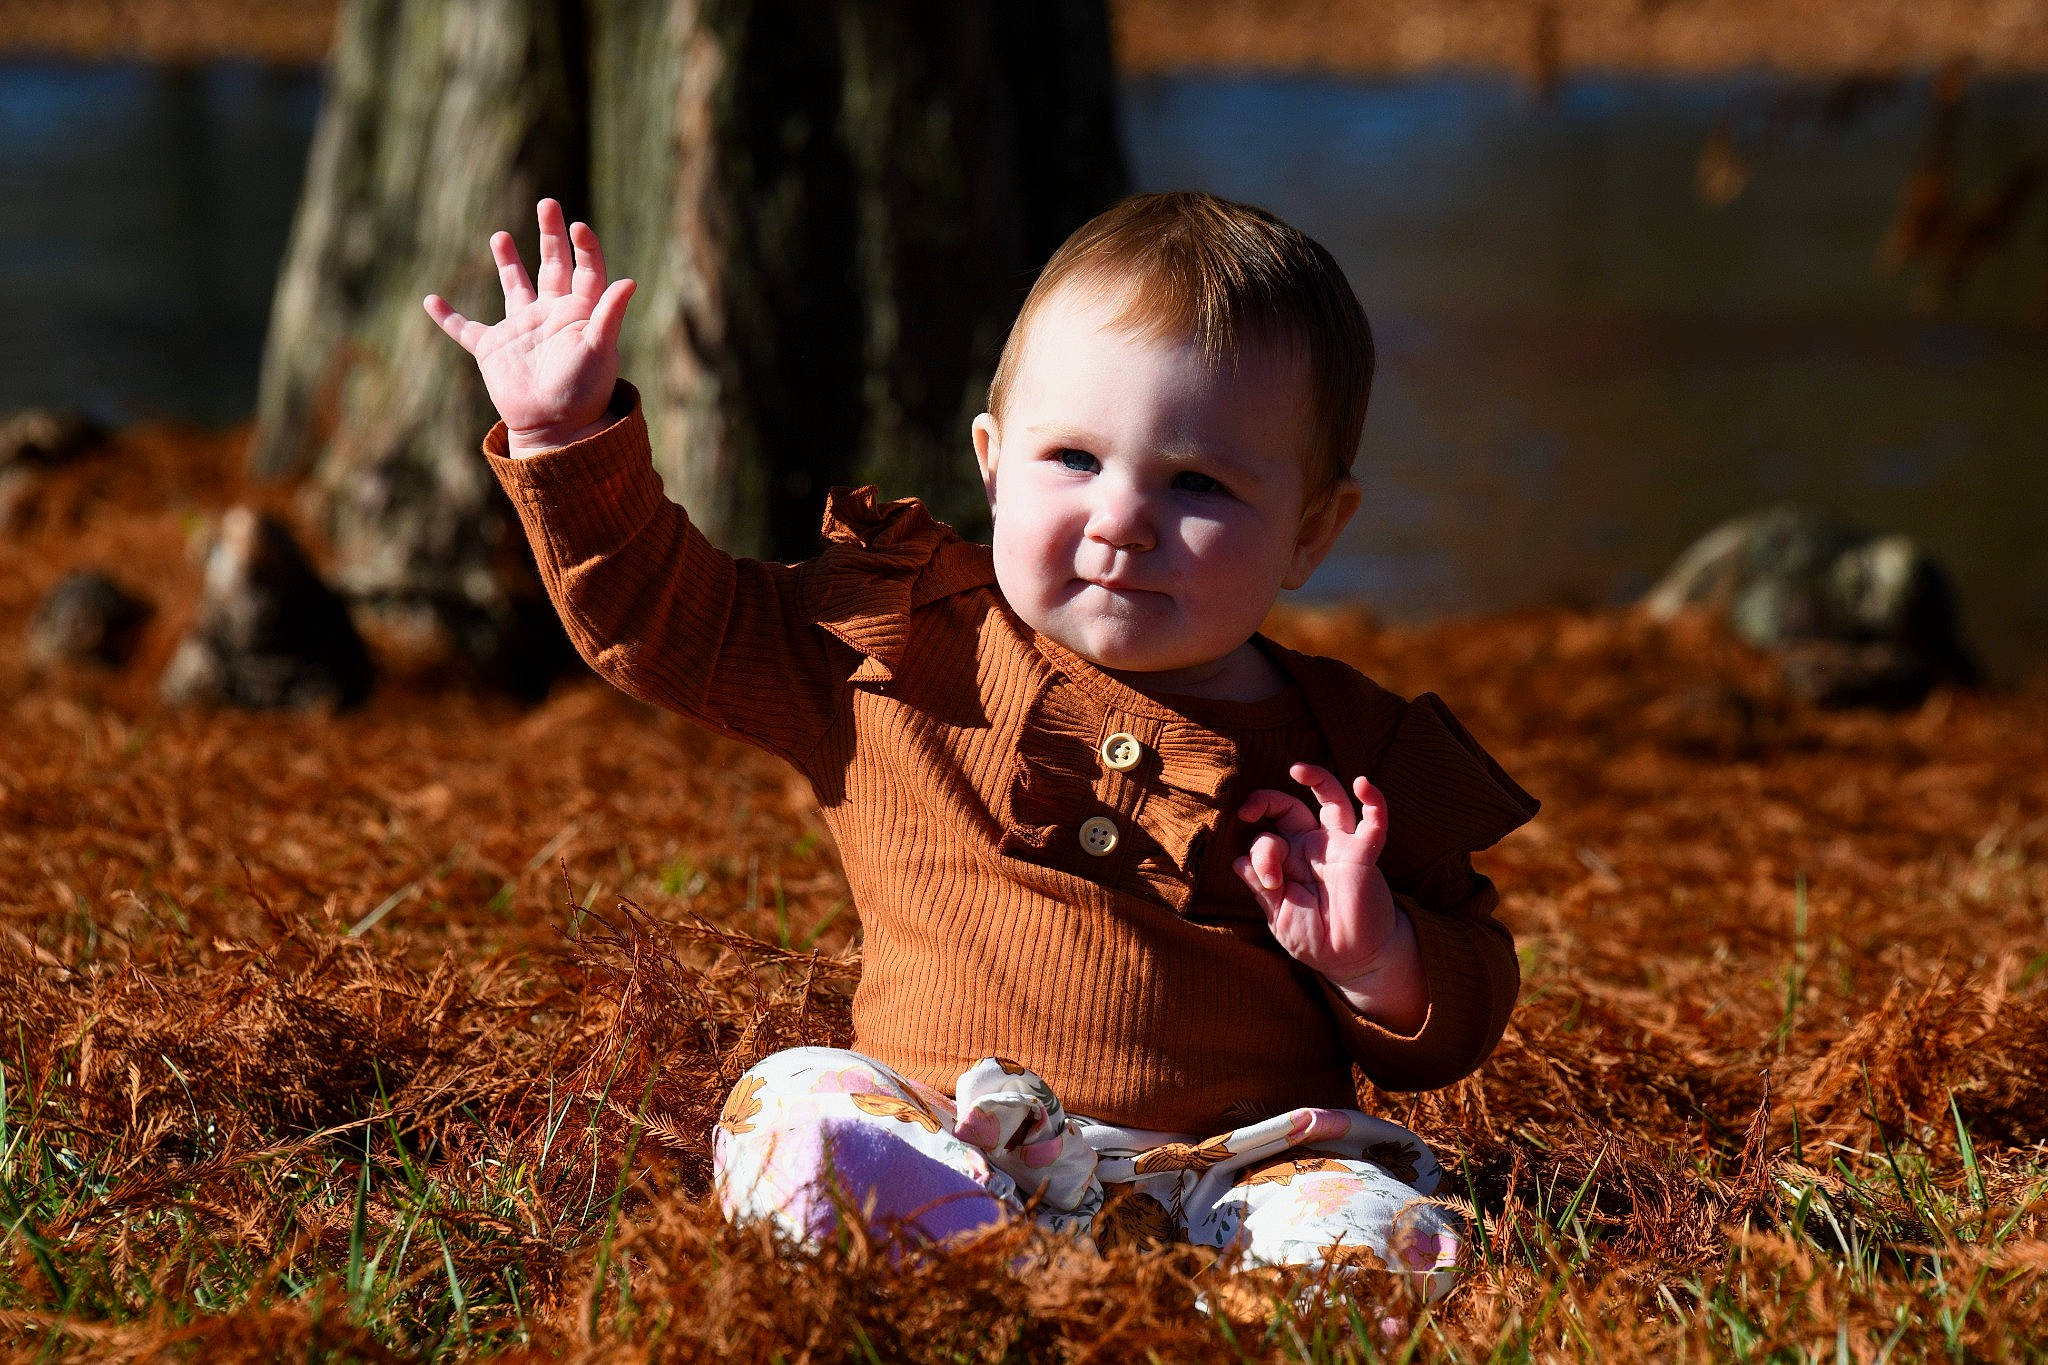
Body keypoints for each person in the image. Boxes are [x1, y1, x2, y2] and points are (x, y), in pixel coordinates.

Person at [425, 191, 1538, 1300]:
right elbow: (669, 621)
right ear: (993, 463)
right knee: (797, 1105)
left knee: (1378, 1232)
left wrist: (1376, 957)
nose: (1121, 519)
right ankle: (978, 1269)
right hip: (944, 1134)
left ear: (1312, 530)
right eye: (1074, 459)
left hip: (1232, 1174)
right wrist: (565, 440)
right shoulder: (899, 645)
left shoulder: (1348, 758)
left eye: (1196, 482)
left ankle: (1196, 1314)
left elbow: (1462, 1006)